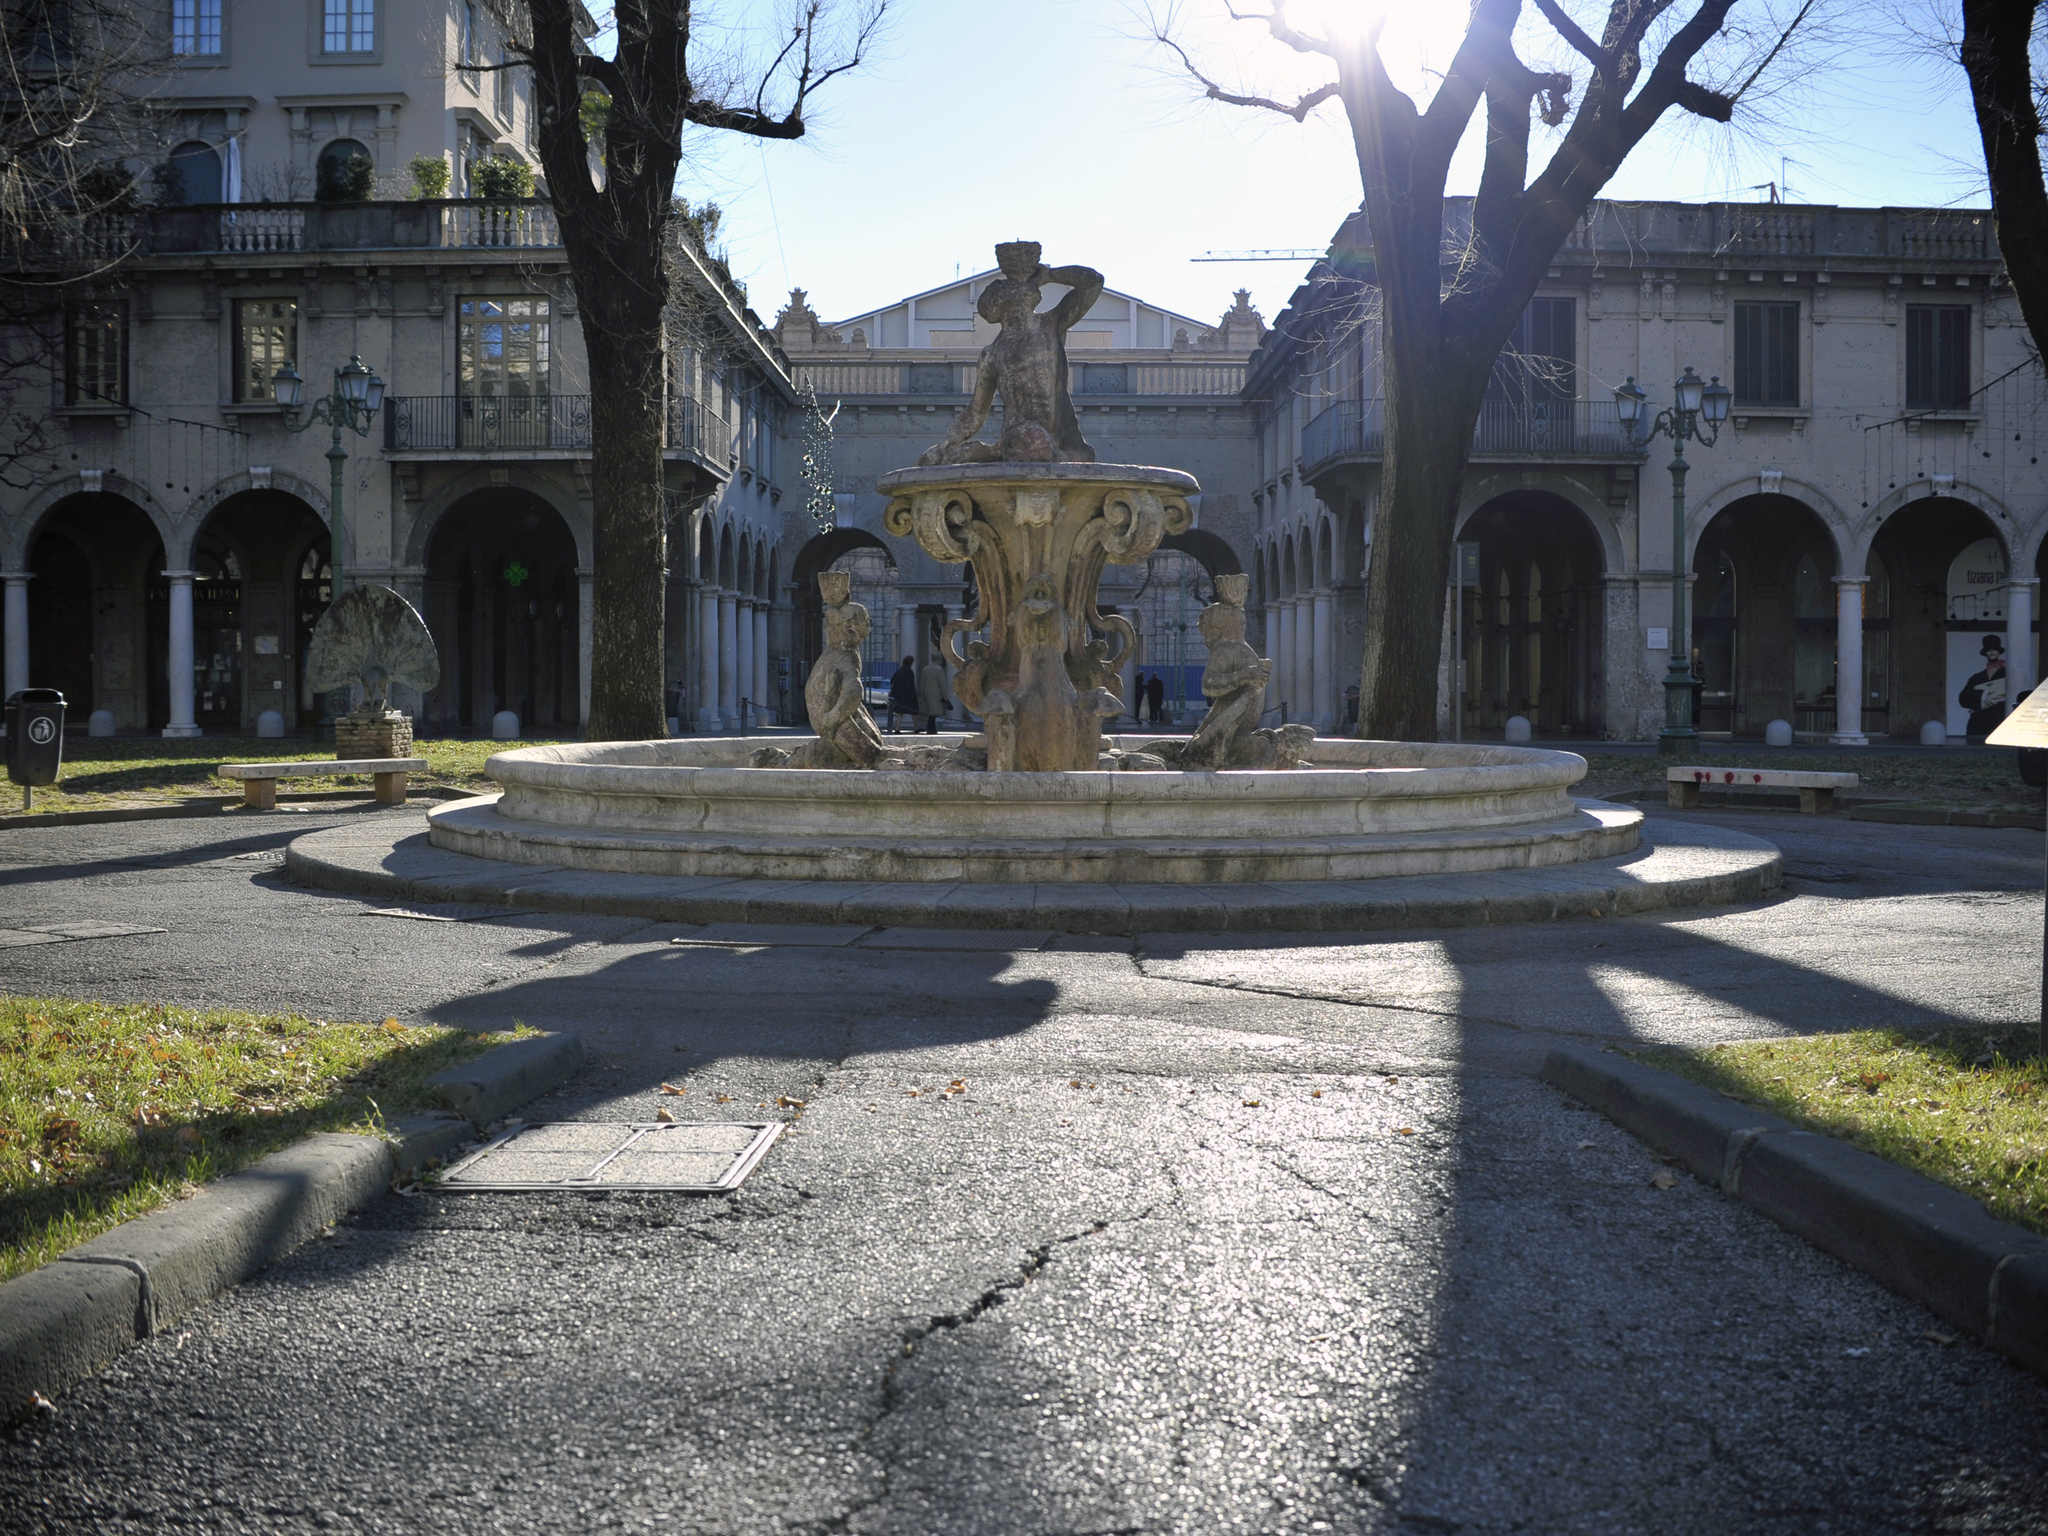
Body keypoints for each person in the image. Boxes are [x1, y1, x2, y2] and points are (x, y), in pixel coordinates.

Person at [1960, 633, 2009, 743]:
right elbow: (1963, 699)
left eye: (1994, 649)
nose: (1992, 652)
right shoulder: (1977, 677)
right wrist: (1983, 698)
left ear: (1999, 651)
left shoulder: (2008, 674)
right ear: (1985, 653)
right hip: (1978, 724)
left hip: (1999, 722)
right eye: (1988, 650)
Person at [887, 654, 919, 733]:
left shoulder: (898, 671)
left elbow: (892, 681)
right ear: (911, 663)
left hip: (899, 696)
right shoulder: (910, 672)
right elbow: (911, 685)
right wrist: (914, 695)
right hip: (909, 696)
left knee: (899, 713)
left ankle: (897, 728)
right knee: (914, 712)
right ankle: (916, 728)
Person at [918, 653, 948, 734]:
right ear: (939, 660)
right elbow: (942, 684)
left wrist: (921, 694)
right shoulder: (939, 669)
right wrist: (945, 697)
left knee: (930, 712)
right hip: (936, 694)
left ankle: (931, 728)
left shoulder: (925, 669)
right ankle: (931, 729)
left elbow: (922, 683)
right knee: (933, 713)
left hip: (927, 693)